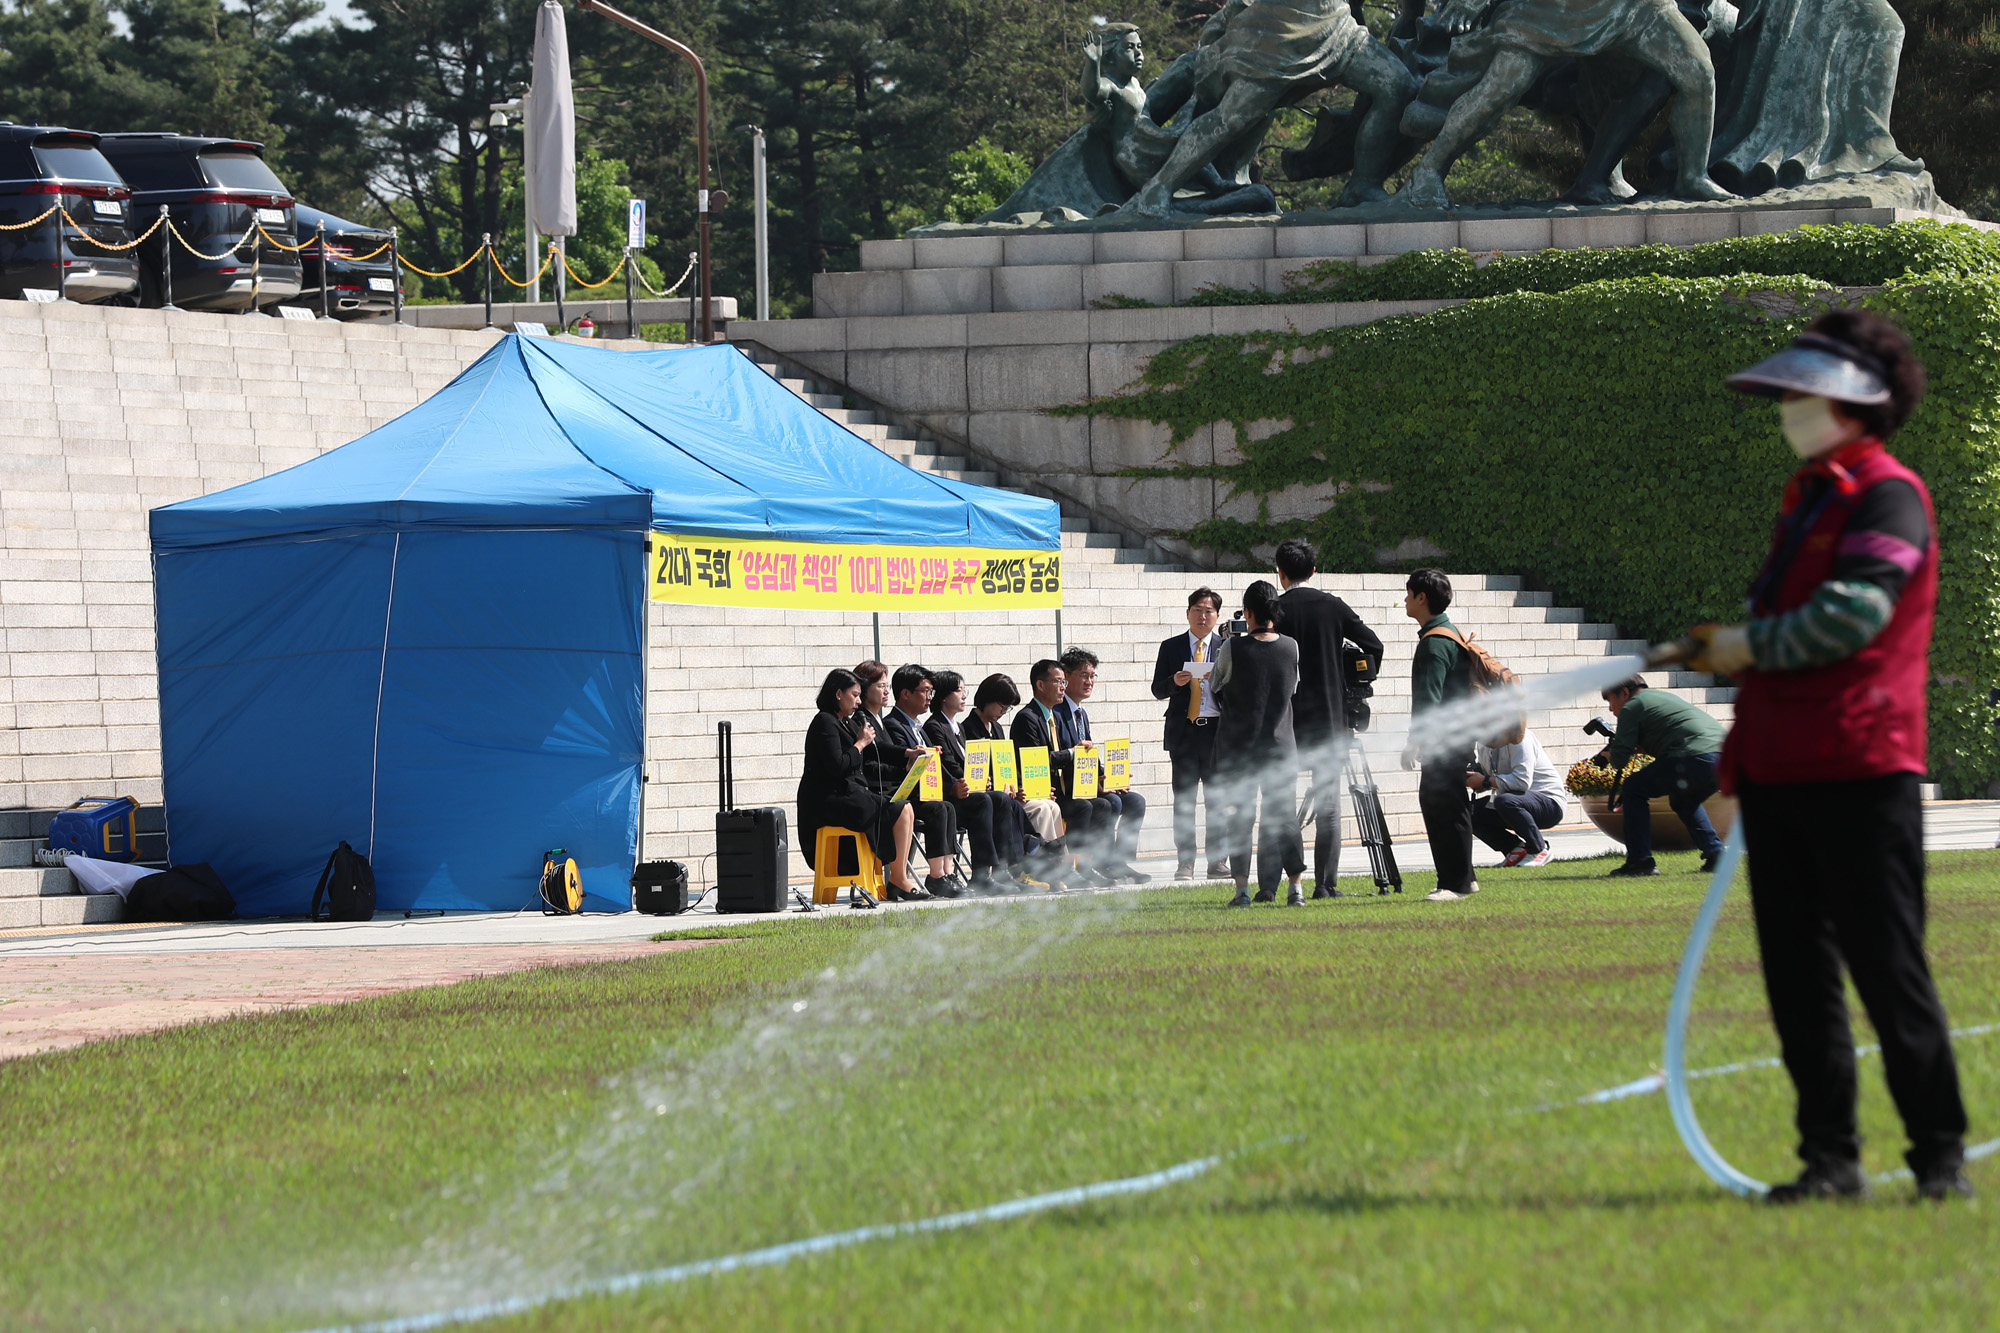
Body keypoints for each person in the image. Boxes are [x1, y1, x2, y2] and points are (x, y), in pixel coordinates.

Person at [1689, 308, 1968, 1202]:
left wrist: (1744, 643)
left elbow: (1855, 616)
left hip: (1861, 765)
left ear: (1856, 405)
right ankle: (1830, 1160)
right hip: (1781, 770)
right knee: (1798, 977)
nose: (1792, 409)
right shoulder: (1809, 496)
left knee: (1890, 969)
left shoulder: (1888, 493)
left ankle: (1938, 1162)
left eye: (1807, 394)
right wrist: (1736, 767)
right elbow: (1771, 652)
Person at [1274, 538, 1383, 898]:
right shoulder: (1332, 606)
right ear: (1314, 570)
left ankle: (1292, 883)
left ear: (1280, 572)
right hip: (1331, 718)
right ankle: (1326, 885)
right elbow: (1373, 644)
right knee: (1329, 807)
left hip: (1286, 719)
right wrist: (1355, 676)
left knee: (1284, 804)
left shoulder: (1275, 609)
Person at [1211, 580, 1305, 906]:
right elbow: (1293, 688)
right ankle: (1295, 888)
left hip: (1242, 748)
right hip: (1281, 746)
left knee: (1241, 817)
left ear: (1247, 613)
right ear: (1274, 611)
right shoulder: (1291, 647)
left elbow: (1215, 684)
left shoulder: (1232, 648)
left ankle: (1241, 891)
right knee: (1283, 817)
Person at [797, 669, 922, 903]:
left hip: (848, 794)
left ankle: (898, 877)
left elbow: (878, 748)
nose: (858, 701)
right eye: (854, 695)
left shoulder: (844, 722)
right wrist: (860, 743)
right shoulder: (825, 722)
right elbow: (838, 765)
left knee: (904, 808)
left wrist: (908, 753)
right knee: (900, 809)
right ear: (837, 694)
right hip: (828, 800)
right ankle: (898, 879)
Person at [1597, 675, 1727, 877]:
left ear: (1624, 692)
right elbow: (1674, 732)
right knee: (1684, 801)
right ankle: (1716, 855)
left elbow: (1619, 760)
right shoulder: (1662, 698)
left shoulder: (1632, 706)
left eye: (1610, 700)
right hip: (1723, 759)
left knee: (1633, 788)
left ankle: (1641, 861)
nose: (1610, 709)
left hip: (1692, 756)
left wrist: (1608, 755)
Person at [1400, 567, 1478, 902]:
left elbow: (1428, 701)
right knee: (1453, 804)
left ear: (1422, 598)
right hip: (1459, 736)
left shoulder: (1434, 644)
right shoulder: (1450, 633)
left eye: (1408, 593)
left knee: (1441, 806)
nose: (1404, 599)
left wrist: (1413, 742)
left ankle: (1454, 883)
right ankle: (1466, 877)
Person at [856, 660, 959, 898]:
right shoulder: (866, 721)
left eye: (886, 686)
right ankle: (925, 877)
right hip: (882, 794)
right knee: (932, 808)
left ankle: (944, 873)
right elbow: (872, 763)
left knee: (946, 806)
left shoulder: (878, 720)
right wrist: (909, 766)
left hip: (897, 792)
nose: (886, 691)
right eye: (881, 686)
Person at [1151, 587, 1230, 881]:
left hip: (1216, 734)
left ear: (1217, 616)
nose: (1202, 615)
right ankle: (1186, 862)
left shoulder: (1227, 647)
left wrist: (1219, 682)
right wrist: (1174, 681)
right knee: (1184, 800)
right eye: (1197, 609)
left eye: (1208, 611)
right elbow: (1157, 689)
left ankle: (1218, 862)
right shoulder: (1171, 647)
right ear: (1187, 613)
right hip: (1184, 733)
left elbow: (1240, 691)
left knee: (1217, 801)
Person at [925, 669, 1027, 894]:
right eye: (959, 690)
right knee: (986, 801)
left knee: (999, 799)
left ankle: (1001, 870)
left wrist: (983, 781)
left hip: (970, 793)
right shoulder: (934, 726)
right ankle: (981, 874)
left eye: (964, 691)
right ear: (943, 696)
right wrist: (972, 781)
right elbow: (949, 766)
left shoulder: (957, 728)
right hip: (952, 797)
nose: (963, 696)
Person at [1010, 659, 1110, 886]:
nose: (1063, 686)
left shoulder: (1052, 716)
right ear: (1040, 685)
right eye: (1058, 681)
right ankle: (1060, 868)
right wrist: (1072, 754)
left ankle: (1086, 866)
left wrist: (1094, 770)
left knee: (1103, 802)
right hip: (1035, 791)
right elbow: (1036, 761)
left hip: (1053, 790)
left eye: (1064, 681)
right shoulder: (1028, 718)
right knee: (1079, 806)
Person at [1055, 647, 1149, 883]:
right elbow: (1064, 758)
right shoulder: (1056, 712)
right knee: (1111, 802)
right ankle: (1102, 862)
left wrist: (1108, 777)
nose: (1090, 681)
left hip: (1089, 784)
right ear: (1066, 677)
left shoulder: (1080, 713)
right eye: (1084, 675)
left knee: (1135, 801)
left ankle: (1119, 860)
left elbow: (1088, 755)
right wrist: (1094, 784)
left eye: (1093, 676)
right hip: (1070, 789)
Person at [966, 672, 1068, 887]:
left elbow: (1009, 770)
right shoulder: (968, 729)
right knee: (1040, 809)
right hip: (989, 800)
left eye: (1007, 709)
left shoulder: (997, 729)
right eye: (1002, 707)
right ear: (987, 699)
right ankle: (1035, 869)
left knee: (1052, 806)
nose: (1003, 713)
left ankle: (1058, 867)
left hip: (1007, 797)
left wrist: (1020, 787)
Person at [1468, 727, 1568, 867]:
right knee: (1467, 811)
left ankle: (1539, 849)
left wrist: (1484, 780)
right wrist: (1473, 778)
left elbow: (1522, 781)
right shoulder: (1484, 744)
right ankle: (1515, 850)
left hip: (1548, 803)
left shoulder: (1519, 737)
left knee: (1505, 801)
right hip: (1512, 800)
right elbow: (1490, 775)